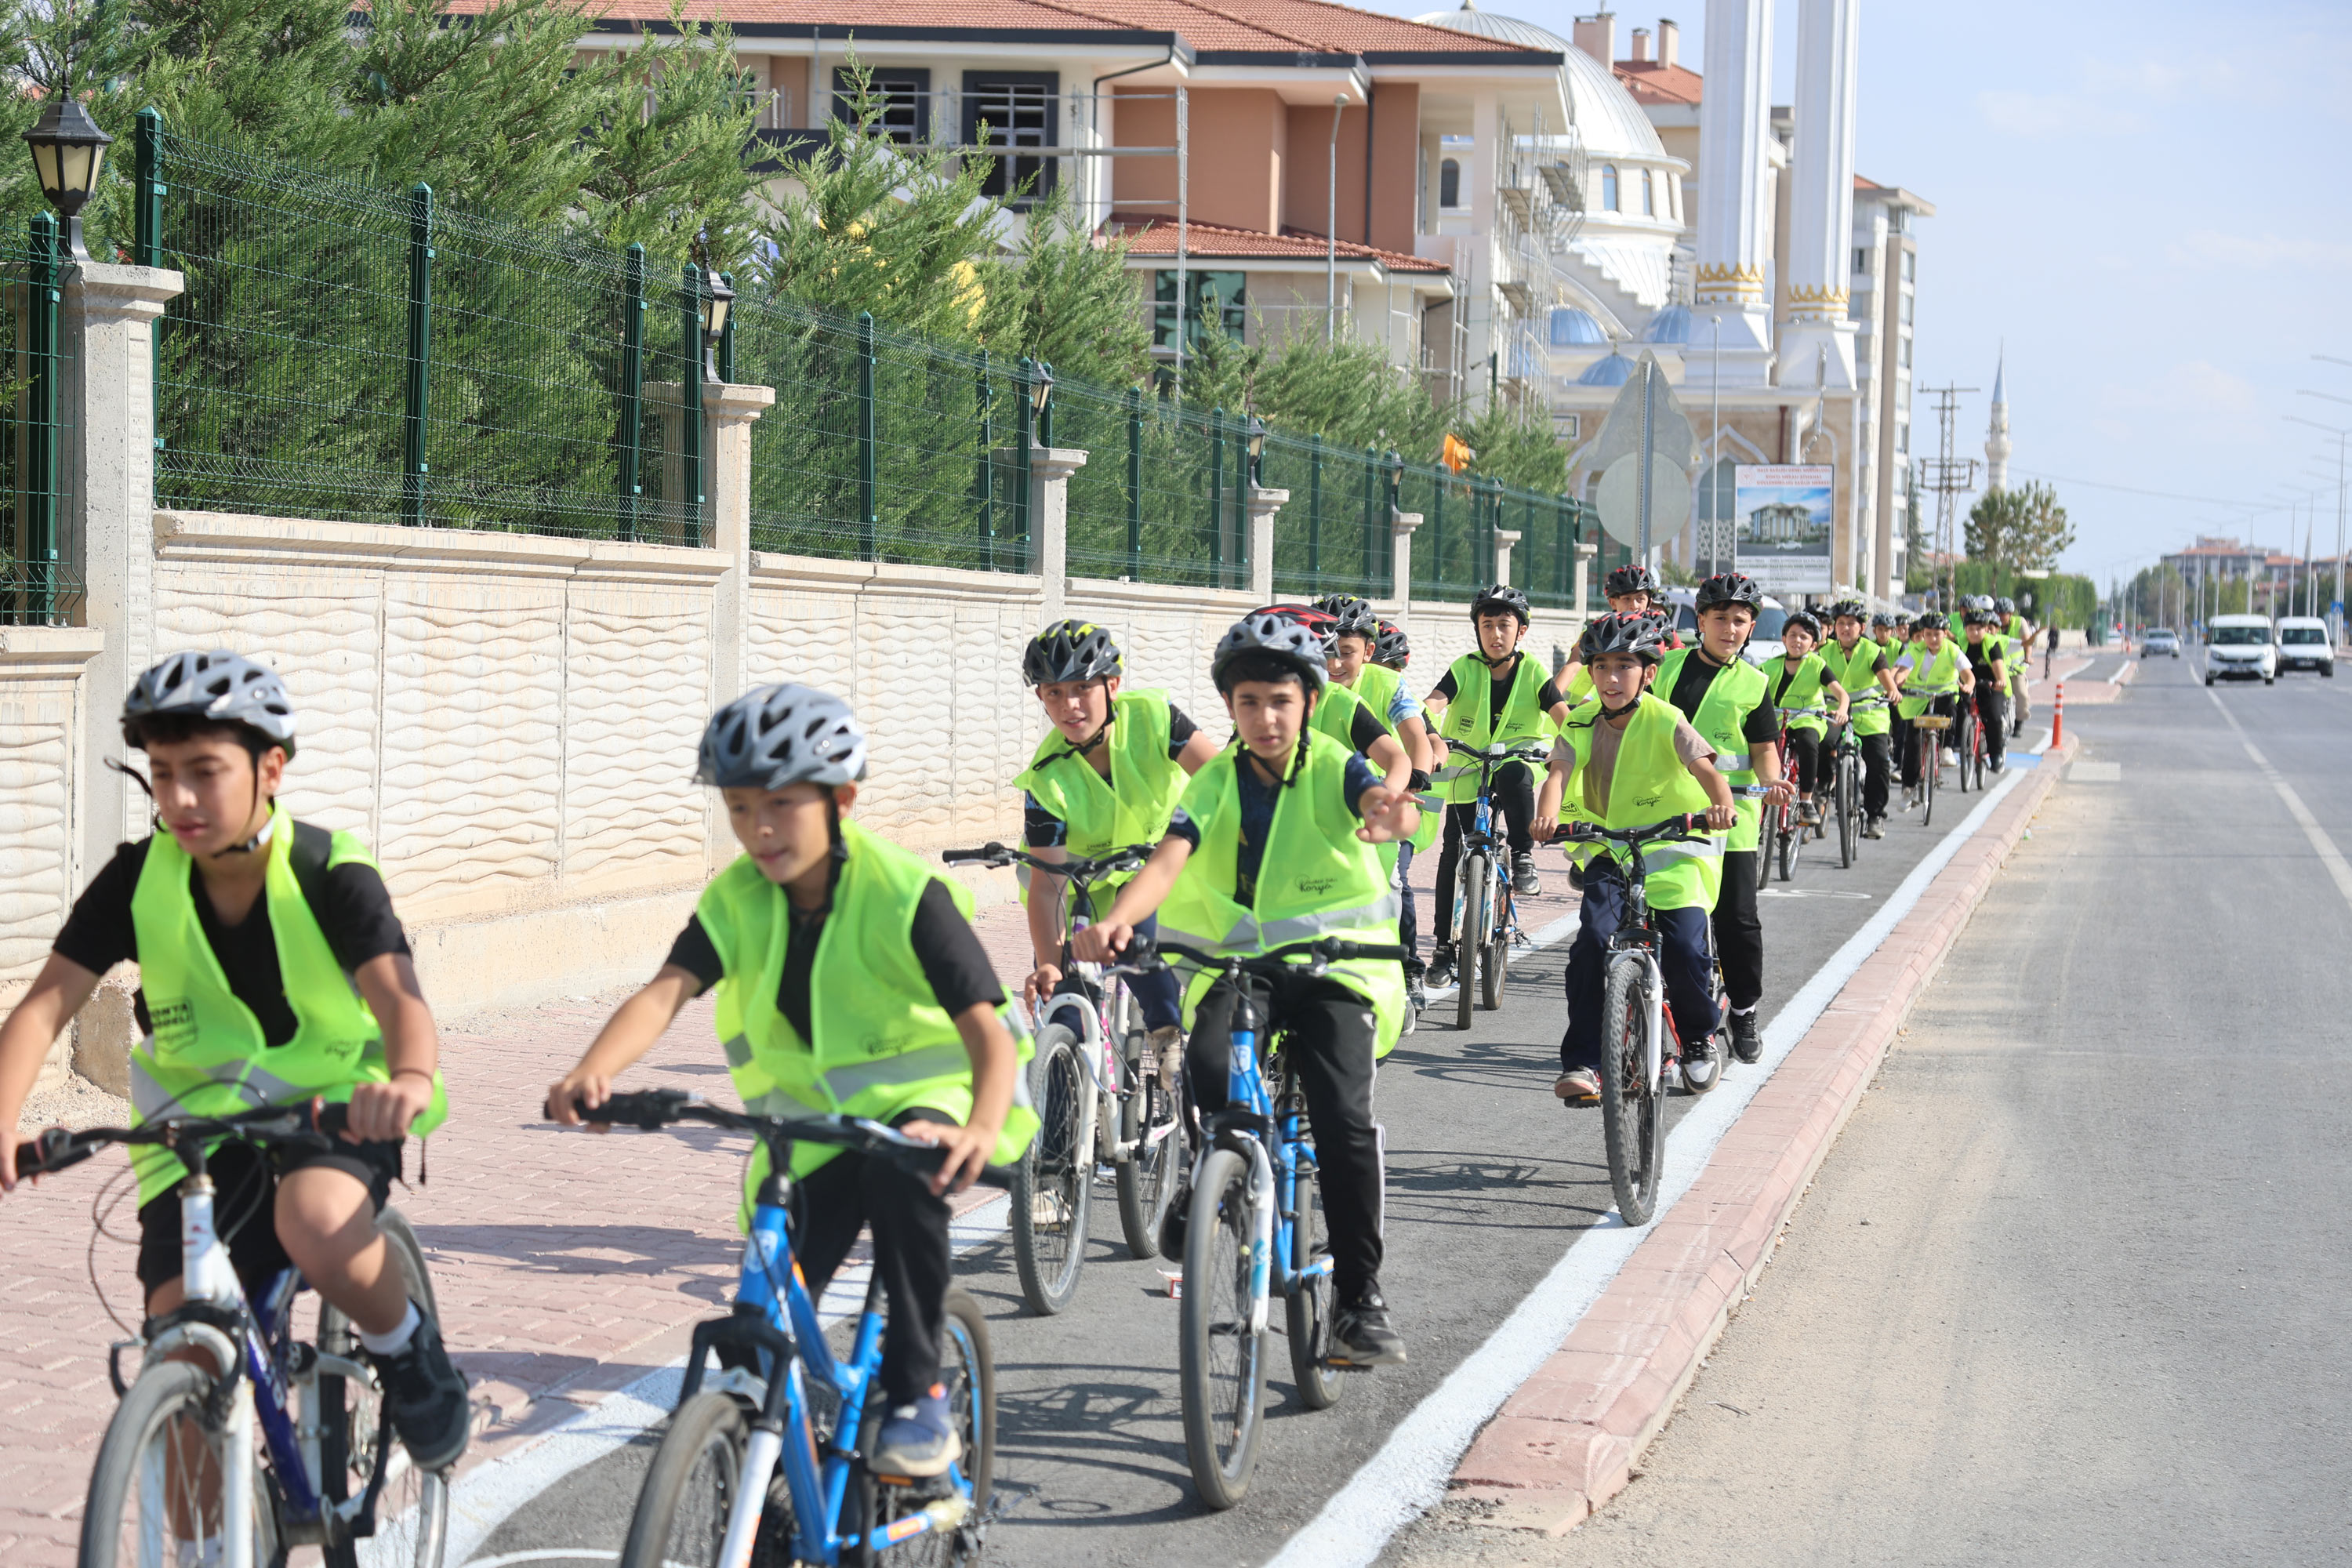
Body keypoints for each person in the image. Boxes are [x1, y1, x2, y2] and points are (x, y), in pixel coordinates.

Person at [548, 684, 1033, 1478]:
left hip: (937, 1103)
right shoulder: (737, 898)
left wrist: (977, 1128)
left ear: (841, 797)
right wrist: (593, 1072)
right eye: (738, 808)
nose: (758, 828)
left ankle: (918, 1392)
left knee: (901, 1172)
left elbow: (984, 1024)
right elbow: (666, 990)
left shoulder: (904, 892)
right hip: (812, 1133)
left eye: (780, 804)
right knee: (757, 1329)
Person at [0, 651, 467, 1471]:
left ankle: (406, 1349)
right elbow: (43, 1006)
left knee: (315, 1221)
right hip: (194, 1134)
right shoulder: (138, 880)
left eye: (205, 771)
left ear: (271, 767)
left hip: (333, 1111)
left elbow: (399, 998)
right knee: (181, 1385)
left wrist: (408, 1080)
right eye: (162, 771)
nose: (178, 797)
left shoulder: (330, 870)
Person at [1073, 612, 1419, 1365]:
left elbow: (1377, 800)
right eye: (1250, 702)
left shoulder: (1334, 765)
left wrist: (1391, 812)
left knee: (1342, 1119)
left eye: (1282, 702)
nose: (1267, 718)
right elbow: (1169, 859)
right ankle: (1210, 1169)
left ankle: (1360, 1298)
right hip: (1240, 970)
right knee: (1205, 1064)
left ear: (1307, 703)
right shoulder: (1217, 781)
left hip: (1338, 970)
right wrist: (1121, 922)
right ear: (1231, 707)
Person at [1533, 613, 1737, 1102]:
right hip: (1612, 849)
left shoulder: (1666, 718)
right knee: (1590, 946)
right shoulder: (1580, 720)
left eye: (1624, 666)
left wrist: (1722, 805)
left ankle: (1697, 1039)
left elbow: (1707, 771)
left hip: (1676, 848)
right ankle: (1583, 1061)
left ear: (1647, 673)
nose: (1610, 678)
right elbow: (1558, 774)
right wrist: (1546, 816)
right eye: (1601, 666)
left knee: (1687, 949)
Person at [1013, 620, 1216, 1095]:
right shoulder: (1045, 778)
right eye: (1054, 693)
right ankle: (1058, 1150)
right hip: (1087, 885)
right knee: (1064, 1000)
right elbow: (1047, 885)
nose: (1070, 705)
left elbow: (1218, 779)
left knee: (1134, 939)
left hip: (1166, 865)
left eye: (1083, 688)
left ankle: (1167, 1034)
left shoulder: (1156, 718)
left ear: (1113, 685)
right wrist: (1050, 964)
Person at [1653, 573, 1787, 1063]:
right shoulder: (1665, 670)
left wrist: (1770, 783)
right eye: (1720, 619)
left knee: (1737, 921)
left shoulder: (1755, 682)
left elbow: (1764, 751)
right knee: (1663, 917)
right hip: (1671, 811)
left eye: (1740, 621)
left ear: (1751, 627)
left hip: (1735, 818)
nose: (1730, 629)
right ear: (1700, 622)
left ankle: (1745, 1009)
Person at [1424, 585, 1570, 988]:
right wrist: (1431, 733)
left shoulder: (1534, 672)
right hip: (1467, 767)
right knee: (1452, 851)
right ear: (1477, 630)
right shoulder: (1464, 668)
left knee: (1514, 777)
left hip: (1516, 761)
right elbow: (1430, 704)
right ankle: (1442, 950)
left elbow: (1564, 717)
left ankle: (1523, 856)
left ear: (1520, 631)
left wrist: (1568, 751)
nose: (1495, 634)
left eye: (1504, 625)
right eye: (1487, 625)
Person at [1321, 597, 1440, 1011]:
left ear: (1369, 652)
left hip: (1384, 801)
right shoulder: (1301, 688)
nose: (1334, 663)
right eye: (1327, 652)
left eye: (1346, 653)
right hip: (1319, 808)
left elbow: (1414, 739)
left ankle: (1408, 969)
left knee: (1395, 883)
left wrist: (1415, 779)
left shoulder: (1387, 684)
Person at [1821, 600, 1903, 838]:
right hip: (1835, 714)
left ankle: (1875, 816)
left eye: (1851, 624)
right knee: (1822, 745)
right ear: (1834, 627)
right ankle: (1821, 790)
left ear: (1862, 627)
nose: (1845, 629)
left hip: (1870, 715)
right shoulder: (1823, 652)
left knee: (1879, 762)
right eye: (1841, 624)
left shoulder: (1872, 651)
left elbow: (1887, 682)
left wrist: (1893, 692)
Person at [1759, 611, 1848, 828]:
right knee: (1757, 747)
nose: (1797, 641)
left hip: (1808, 718)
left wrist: (1842, 710)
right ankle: (1758, 806)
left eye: (1804, 637)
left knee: (1809, 743)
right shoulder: (1769, 666)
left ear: (1814, 645)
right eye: (1792, 635)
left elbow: (1841, 695)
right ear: (1783, 639)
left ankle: (1807, 801)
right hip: (1777, 720)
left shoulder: (1817, 665)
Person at [1556, 562, 1678, 702]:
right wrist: (1551, 701)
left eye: (1640, 599)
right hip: (1583, 708)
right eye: (1627, 599)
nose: (1634, 605)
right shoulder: (1597, 631)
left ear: (1649, 602)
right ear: (1613, 603)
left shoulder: (1658, 633)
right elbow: (1572, 666)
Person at [1895, 612, 1974, 798]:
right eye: (1928, 634)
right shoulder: (1915, 650)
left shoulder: (1953, 650)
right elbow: (1902, 672)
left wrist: (1968, 685)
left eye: (1937, 634)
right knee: (1912, 742)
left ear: (1945, 633)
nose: (1932, 639)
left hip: (1943, 696)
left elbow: (1968, 674)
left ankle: (1946, 747)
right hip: (1916, 699)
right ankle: (1909, 787)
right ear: (1923, 634)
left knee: (1952, 708)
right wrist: (1897, 684)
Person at [1962, 611, 2011, 773]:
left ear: (1985, 629)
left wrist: (2000, 681)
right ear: (1965, 629)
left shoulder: (1991, 643)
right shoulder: (1960, 644)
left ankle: (1996, 754)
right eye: (1971, 629)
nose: (1975, 633)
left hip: (1991, 686)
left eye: (1979, 629)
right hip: (1967, 685)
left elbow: (1998, 665)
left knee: (1994, 717)